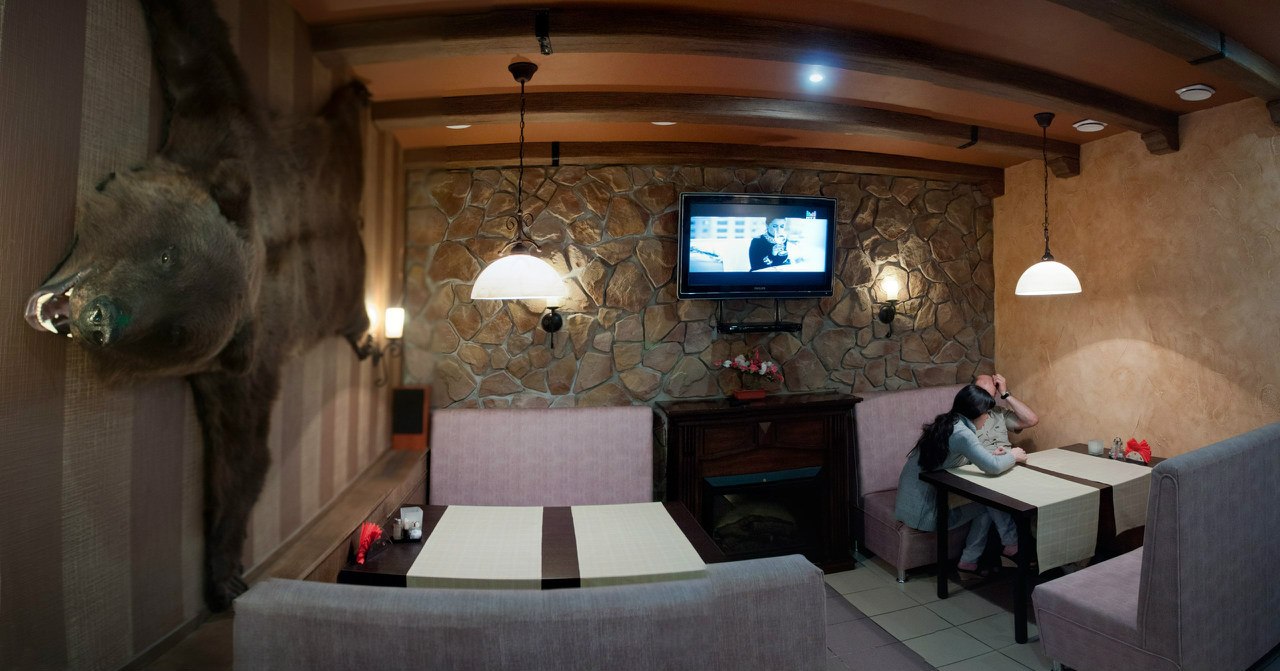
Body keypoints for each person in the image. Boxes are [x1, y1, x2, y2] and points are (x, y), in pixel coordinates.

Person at [894, 384, 1028, 578]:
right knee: (988, 504)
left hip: (909, 506)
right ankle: (1010, 545)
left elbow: (956, 457)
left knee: (985, 502)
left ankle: (971, 561)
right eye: (987, 413)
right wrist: (1013, 456)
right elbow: (992, 467)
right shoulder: (962, 433)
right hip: (926, 513)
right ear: (976, 412)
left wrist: (993, 454)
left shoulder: (949, 422)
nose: (988, 418)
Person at [973, 373, 1040, 558]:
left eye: (991, 394)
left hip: (1012, 464)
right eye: (982, 393)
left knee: (1042, 492)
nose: (986, 399)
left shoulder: (999, 413)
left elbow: (1032, 420)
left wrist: (1006, 393)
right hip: (985, 470)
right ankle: (1013, 545)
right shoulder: (964, 418)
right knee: (992, 494)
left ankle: (1042, 545)